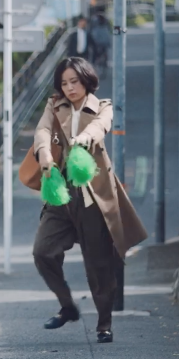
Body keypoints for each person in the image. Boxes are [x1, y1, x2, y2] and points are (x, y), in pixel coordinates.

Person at [32, 57, 147, 343]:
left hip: (92, 195)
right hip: (60, 192)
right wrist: (45, 155)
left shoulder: (102, 106)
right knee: (42, 251)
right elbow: (43, 130)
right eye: (64, 83)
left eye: (74, 81)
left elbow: (101, 126)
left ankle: (104, 324)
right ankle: (67, 306)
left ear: (86, 80)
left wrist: (84, 138)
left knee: (98, 264)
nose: (69, 88)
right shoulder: (53, 105)